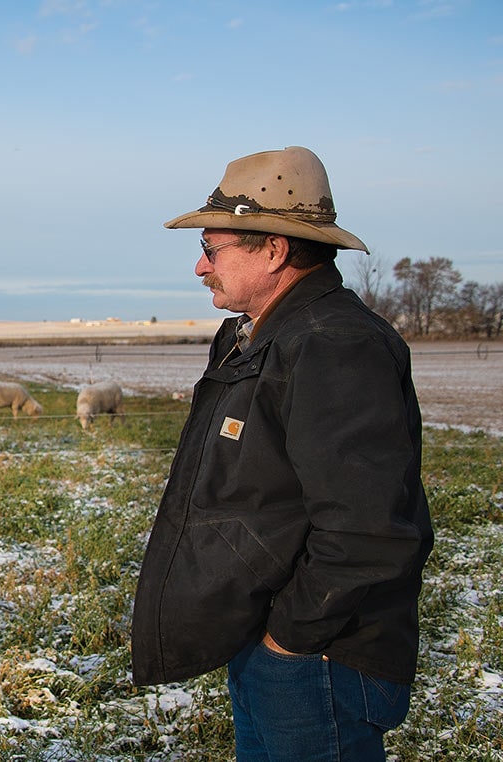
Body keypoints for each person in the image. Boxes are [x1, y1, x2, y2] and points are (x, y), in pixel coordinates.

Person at [131, 146, 434, 761]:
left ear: (273, 248)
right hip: (271, 636)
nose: (199, 266)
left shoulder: (334, 344)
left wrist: (289, 639)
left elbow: (369, 528)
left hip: (321, 656)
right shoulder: (260, 335)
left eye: (213, 249)